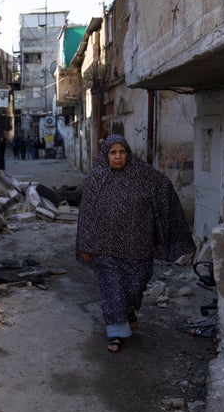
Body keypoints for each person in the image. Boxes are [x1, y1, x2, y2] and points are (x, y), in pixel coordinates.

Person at [76, 134, 195, 352]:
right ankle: (116, 333)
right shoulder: (96, 179)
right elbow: (86, 214)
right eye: (113, 153)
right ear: (106, 155)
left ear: (128, 154)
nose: (118, 157)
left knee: (133, 289)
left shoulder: (143, 175)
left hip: (138, 245)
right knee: (112, 289)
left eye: (122, 152)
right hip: (105, 246)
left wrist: (163, 226)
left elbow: (164, 188)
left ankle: (128, 309)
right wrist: (85, 245)